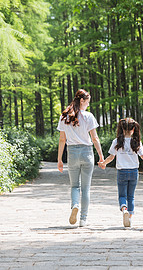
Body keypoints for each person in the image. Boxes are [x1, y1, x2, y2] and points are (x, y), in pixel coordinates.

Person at [57, 89, 104, 227]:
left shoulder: (64, 116)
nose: (88, 105)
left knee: (74, 186)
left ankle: (74, 205)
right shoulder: (88, 116)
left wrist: (59, 159)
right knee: (86, 188)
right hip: (87, 152)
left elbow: (62, 140)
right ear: (82, 101)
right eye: (87, 102)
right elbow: (95, 138)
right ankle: (83, 219)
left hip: (72, 153)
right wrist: (101, 156)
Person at [98, 118, 143, 227]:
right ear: (134, 129)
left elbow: (111, 156)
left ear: (122, 129)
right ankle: (129, 217)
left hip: (122, 172)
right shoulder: (136, 142)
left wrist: (104, 163)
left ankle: (124, 208)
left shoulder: (117, 141)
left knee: (122, 195)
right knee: (131, 196)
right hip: (134, 172)